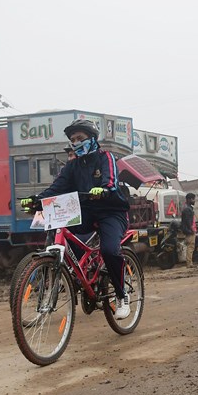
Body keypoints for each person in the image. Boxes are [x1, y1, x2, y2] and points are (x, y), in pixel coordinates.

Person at [20, 118, 131, 319]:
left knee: (108, 250)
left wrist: (104, 189)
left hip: (111, 211)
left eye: (80, 138)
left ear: (92, 138)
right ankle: (81, 276)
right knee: (65, 235)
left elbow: (112, 181)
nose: (76, 142)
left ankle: (122, 295)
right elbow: (56, 188)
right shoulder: (72, 167)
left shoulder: (106, 157)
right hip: (86, 212)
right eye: (73, 139)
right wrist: (36, 200)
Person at [181, 193, 198, 268]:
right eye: (193, 199)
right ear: (189, 199)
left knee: (190, 246)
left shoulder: (188, 208)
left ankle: (190, 262)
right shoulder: (187, 209)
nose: (194, 201)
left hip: (189, 230)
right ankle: (189, 263)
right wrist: (192, 229)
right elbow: (188, 221)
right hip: (189, 231)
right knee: (190, 246)